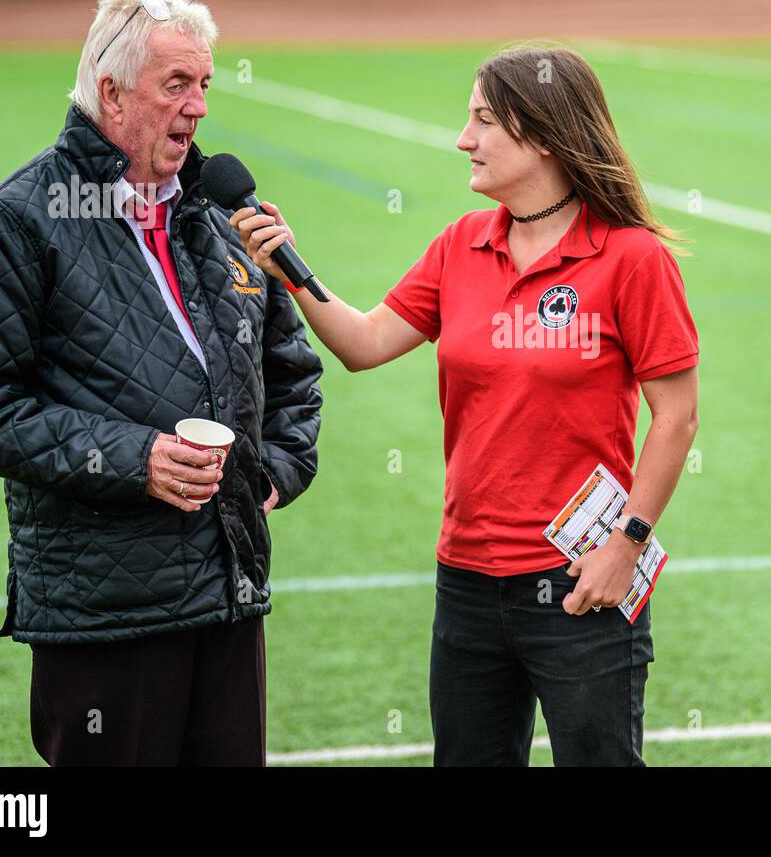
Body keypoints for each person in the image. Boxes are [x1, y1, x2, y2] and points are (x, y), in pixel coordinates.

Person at [231, 45, 699, 767]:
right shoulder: (459, 246)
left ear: (541, 133)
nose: (463, 138)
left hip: (582, 580)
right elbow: (364, 342)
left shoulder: (632, 258)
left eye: (482, 120)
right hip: (468, 582)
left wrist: (626, 543)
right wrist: (291, 267)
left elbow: (678, 417)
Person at [0, 0, 323, 766]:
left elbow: (293, 371)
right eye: (177, 84)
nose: (199, 106)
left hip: (228, 593)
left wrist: (275, 468)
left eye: (206, 84)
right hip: (107, 610)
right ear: (109, 91)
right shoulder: (19, 218)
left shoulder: (218, 216)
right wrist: (134, 458)